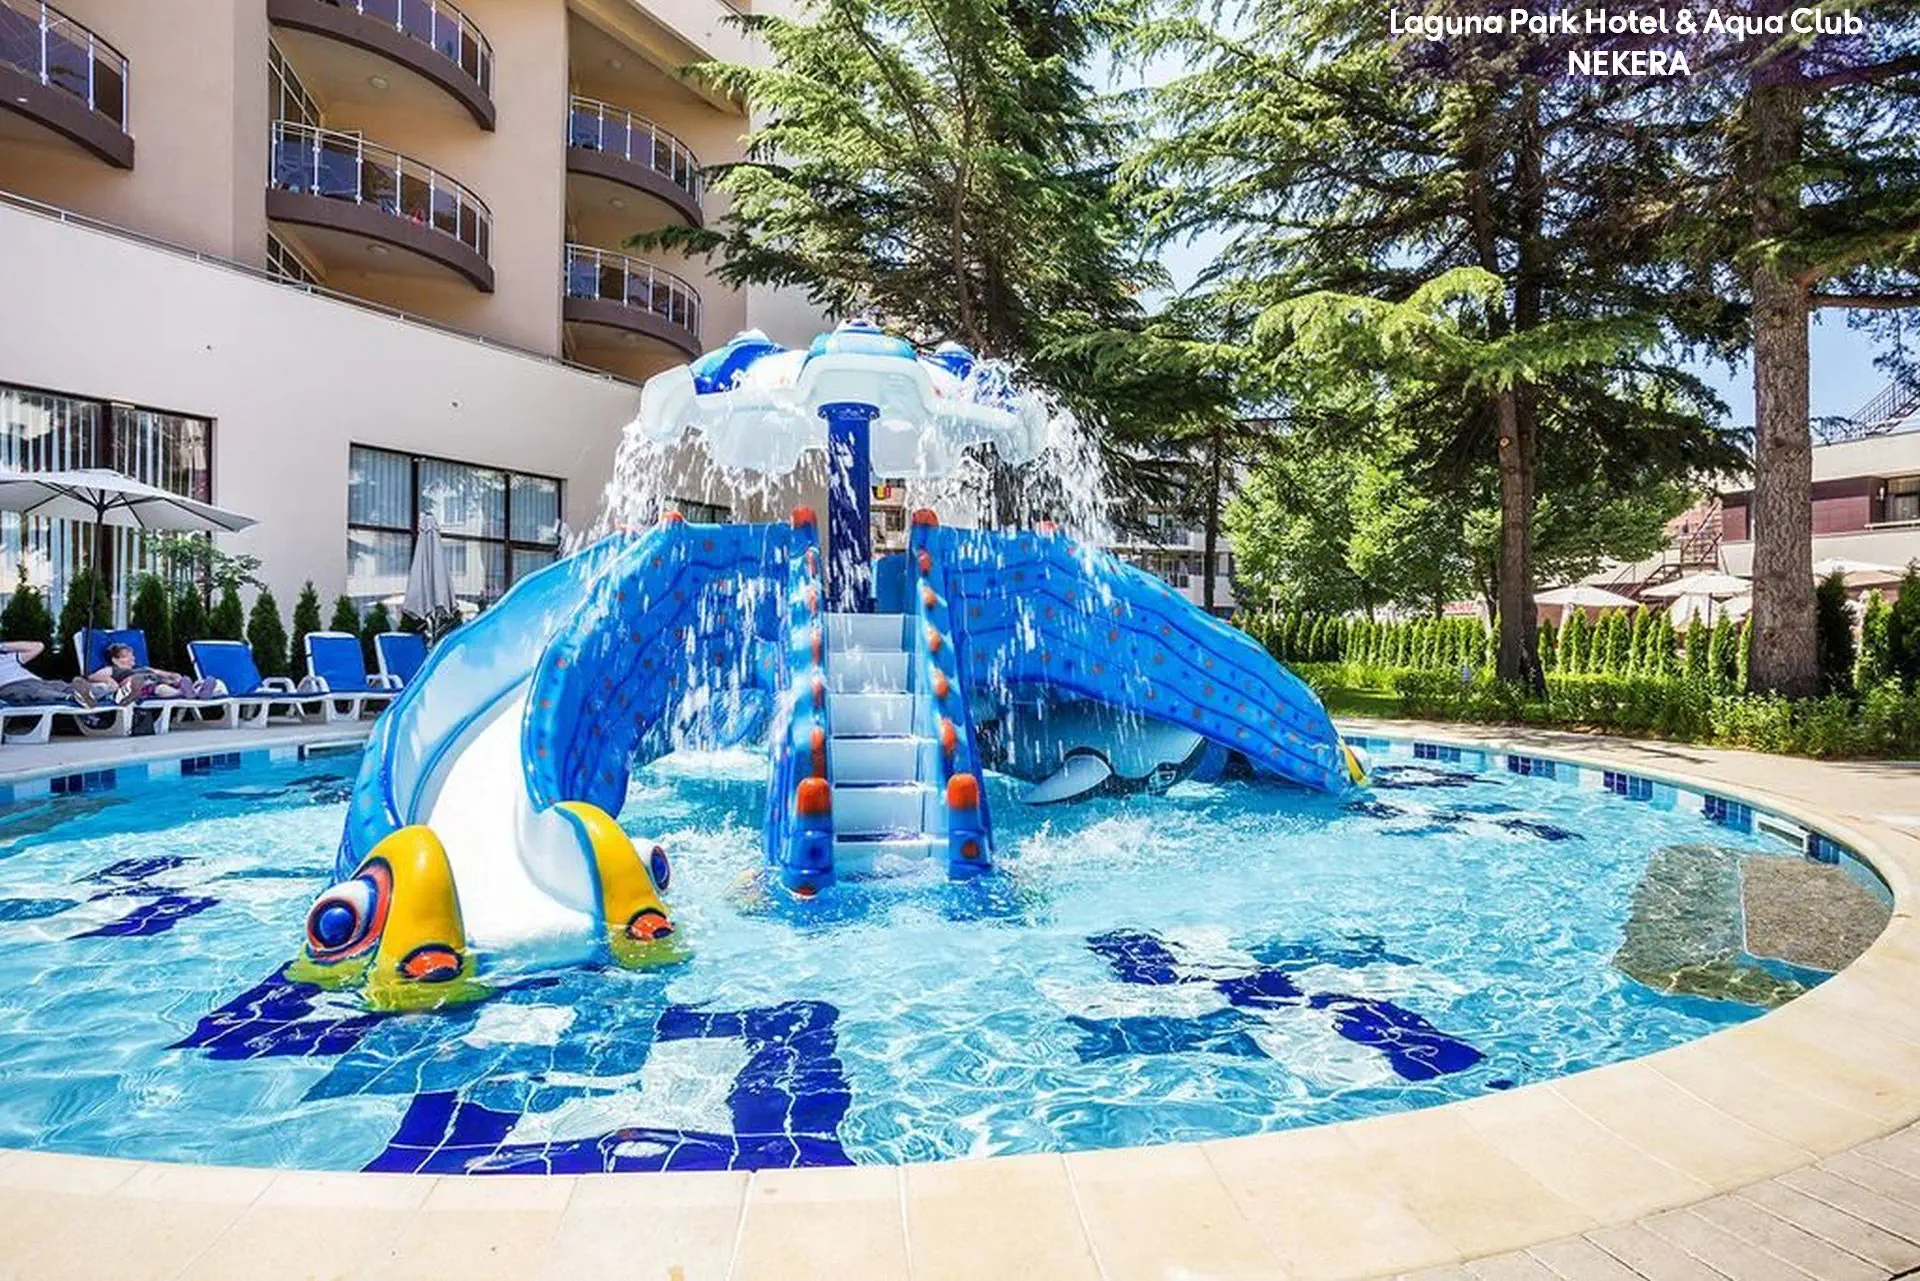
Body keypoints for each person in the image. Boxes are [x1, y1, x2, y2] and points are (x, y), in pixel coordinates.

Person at [88, 643, 218, 702]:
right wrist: (109, 680)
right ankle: (184, 693)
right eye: (127, 656)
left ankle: (197, 690)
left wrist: (174, 676)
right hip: (142, 687)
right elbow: (92, 676)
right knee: (158, 688)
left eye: (132, 655)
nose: (132, 658)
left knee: (175, 682)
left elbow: (163, 673)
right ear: (115, 660)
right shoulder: (113, 669)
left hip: (157, 680)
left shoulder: (143, 668)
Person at [0, 640, 98, 707]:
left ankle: (97, 693)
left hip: (36, 681)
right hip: (9, 686)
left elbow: (38, 646)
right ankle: (73, 698)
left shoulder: (6, 657)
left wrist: (2, 646)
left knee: (60, 685)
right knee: (36, 693)